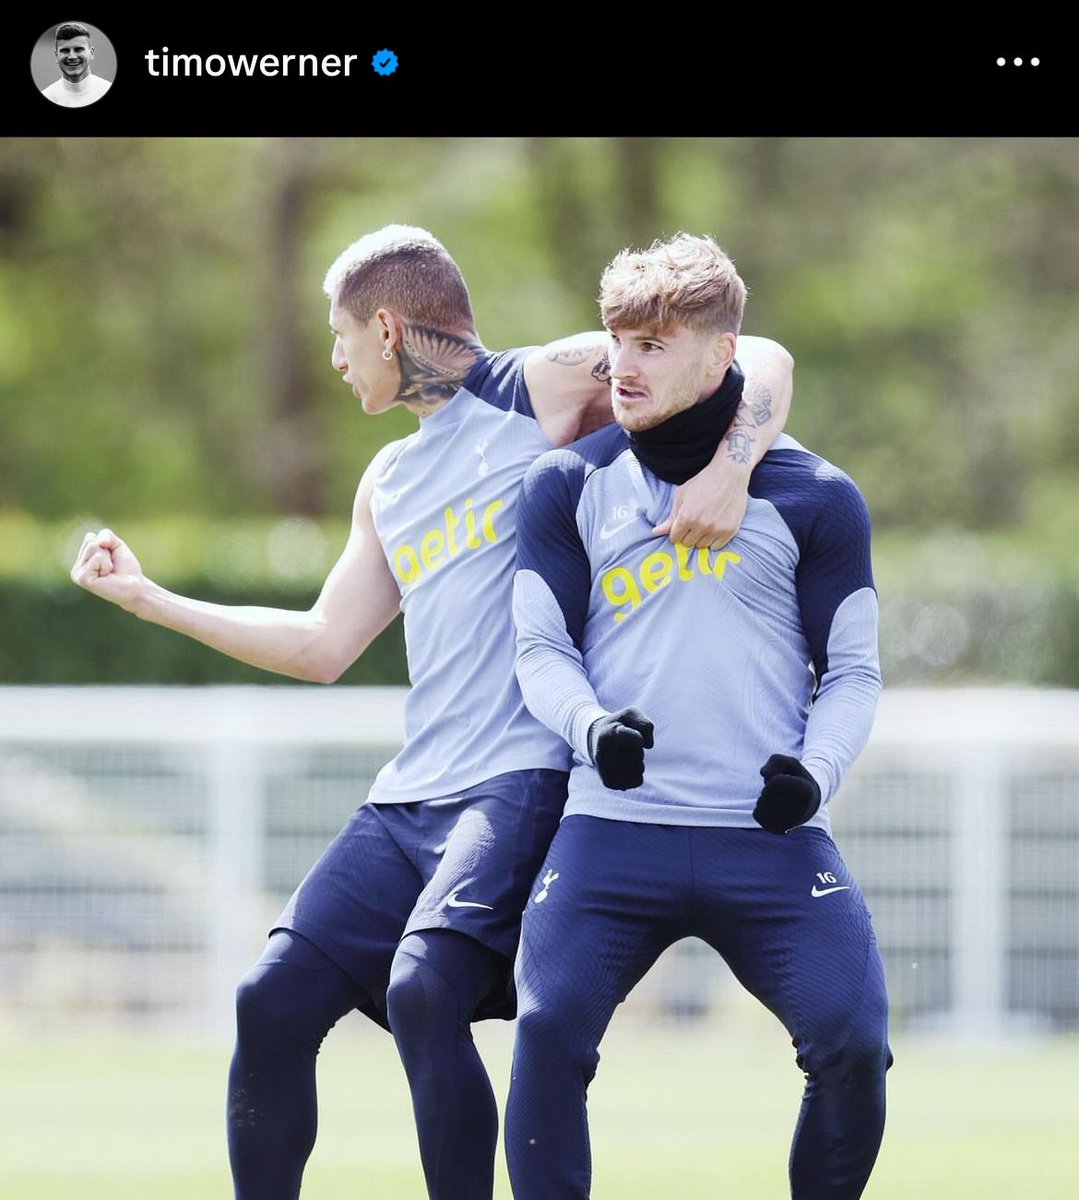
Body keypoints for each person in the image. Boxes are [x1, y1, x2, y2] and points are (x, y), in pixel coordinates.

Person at [69, 225, 794, 1200]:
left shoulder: (535, 388)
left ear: (385, 327)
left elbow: (757, 358)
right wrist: (149, 600)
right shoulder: (388, 481)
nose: (333, 359)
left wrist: (730, 467)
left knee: (422, 991)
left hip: (517, 785)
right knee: (269, 1001)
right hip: (407, 800)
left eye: (338, 337)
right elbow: (326, 644)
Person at [506, 232, 891, 1199]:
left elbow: (851, 671)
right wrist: (591, 729)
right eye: (617, 342)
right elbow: (539, 651)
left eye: (652, 345)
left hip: (768, 839)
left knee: (852, 1045)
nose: (622, 368)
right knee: (546, 1034)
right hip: (611, 831)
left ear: (721, 355)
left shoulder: (818, 497)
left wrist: (815, 770)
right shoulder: (564, 486)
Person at [40, 23, 112, 108]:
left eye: (78, 49)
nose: (72, 57)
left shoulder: (106, 89)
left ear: (91, 53)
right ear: (56, 56)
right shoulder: (47, 95)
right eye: (65, 50)